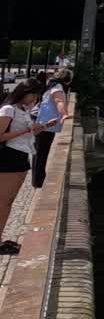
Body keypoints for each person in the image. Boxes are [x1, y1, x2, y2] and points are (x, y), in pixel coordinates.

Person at [0, 80, 46, 255]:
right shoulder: (8, 109)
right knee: (3, 201)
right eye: (33, 95)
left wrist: (37, 128)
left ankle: (1, 238)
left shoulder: (23, 110)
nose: (35, 99)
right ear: (24, 92)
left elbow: (25, 132)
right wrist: (26, 130)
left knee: (8, 201)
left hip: (20, 156)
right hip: (8, 158)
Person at [32, 69, 70, 188]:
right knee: (41, 153)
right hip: (46, 125)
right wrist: (64, 114)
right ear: (67, 80)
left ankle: (38, 180)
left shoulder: (51, 85)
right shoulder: (58, 87)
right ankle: (38, 182)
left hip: (43, 123)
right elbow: (59, 101)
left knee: (39, 153)